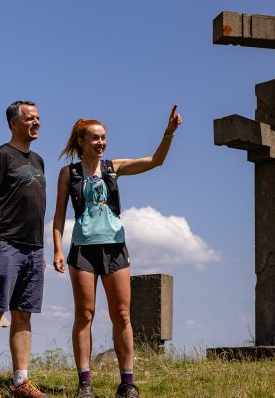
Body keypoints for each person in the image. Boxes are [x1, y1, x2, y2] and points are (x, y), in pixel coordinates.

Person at [53, 105, 183, 398]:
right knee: (84, 314)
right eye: (95, 138)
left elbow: (155, 161)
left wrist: (169, 133)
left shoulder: (114, 167)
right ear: (81, 142)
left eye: (104, 138)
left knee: (122, 314)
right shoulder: (68, 173)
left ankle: (127, 382)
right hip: (82, 250)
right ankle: (85, 382)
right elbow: (59, 215)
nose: (101, 143)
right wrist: (57, 250)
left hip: (115, 248)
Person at [0, 100, 49, 398]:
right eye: (30, 118)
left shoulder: (39, 160)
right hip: (4, 244)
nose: (36, 122)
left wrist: (40, 250)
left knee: (24, 314)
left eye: (39, 118)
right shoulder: (1, 156)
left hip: (32, 249)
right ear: (13, 123)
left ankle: (21, 382)